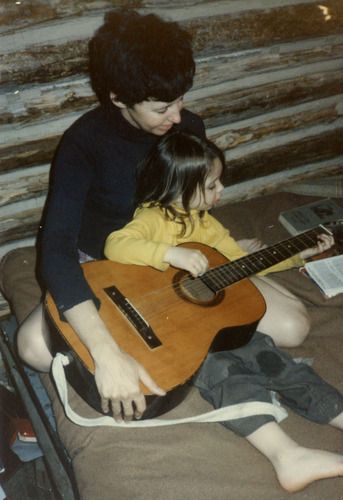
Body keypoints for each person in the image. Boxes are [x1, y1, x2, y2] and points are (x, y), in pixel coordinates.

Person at [15, 8, 318, 423]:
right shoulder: (84, 142)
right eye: (161, 108)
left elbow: (192, 208)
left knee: (293, 328)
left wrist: (222, 254)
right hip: (105, 266)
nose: (177, 118)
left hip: (173, 259)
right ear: (118, 97)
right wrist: (106, 351)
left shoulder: (187, 125)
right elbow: (56, 245)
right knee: (32, 347)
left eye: (180, 100)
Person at [104, 131, 343, 493]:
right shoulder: (152, 217)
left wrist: (297, 255)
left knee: (269, 355)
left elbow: (237, 264)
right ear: (178, 186)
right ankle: (288, 455)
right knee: (223, 372)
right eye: (213, 184)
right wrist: (171, 255)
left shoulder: (207, 224)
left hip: (210, 320)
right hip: (166, 331)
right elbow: (116, 244)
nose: (222, 191)